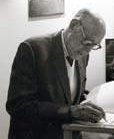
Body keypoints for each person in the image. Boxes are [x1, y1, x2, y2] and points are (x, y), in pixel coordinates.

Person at [6, 8, 106, 139]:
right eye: (86, 42)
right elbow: (18, 106)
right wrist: (70, 112)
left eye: (94, 45)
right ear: (74, 25)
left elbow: (70, 95)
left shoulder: (83, 56)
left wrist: (88, 101)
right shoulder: (32, 49)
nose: (87, 51)